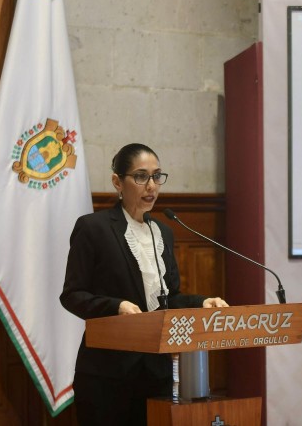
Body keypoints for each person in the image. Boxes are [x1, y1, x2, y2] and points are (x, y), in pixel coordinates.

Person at [60, 143, 228, 426]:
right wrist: (116, 306)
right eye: (141, 176)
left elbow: (168, 299)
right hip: (107, 375)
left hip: (155, 373)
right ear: (117, 182)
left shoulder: (163, 232)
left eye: (156, 176)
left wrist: (201, 302)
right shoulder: (93, 228)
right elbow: (72, 295)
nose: (151, 186)